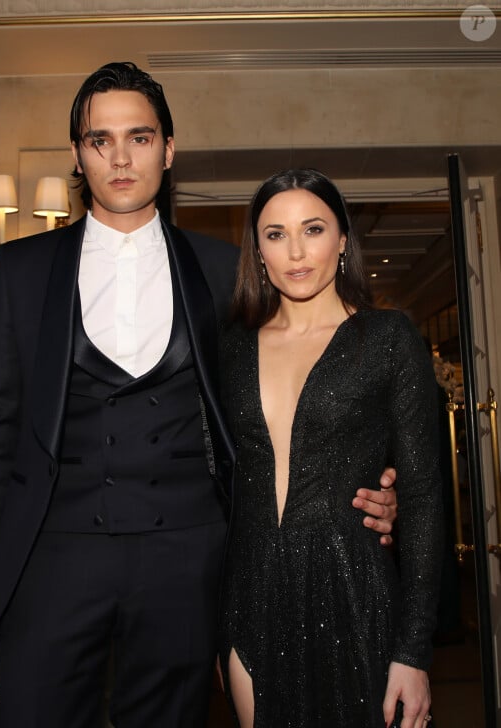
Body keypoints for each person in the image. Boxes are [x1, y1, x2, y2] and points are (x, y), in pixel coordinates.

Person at [0, 64, 397, 728]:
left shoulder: (224, 269)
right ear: (78, 154)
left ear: (169, 149)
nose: (121, 157)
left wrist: (369, 486)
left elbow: (286, 395)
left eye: (141, 137)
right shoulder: (24, 269)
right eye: (101, 140)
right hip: (52, 560)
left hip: (188, 563)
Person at [218, 169, 444, 728]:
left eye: (313, 229)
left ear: (343, 240)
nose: (295, 251)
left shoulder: (388, 338)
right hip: (251, 594)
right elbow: (211, 479)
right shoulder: (230, 348)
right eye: (275, 234)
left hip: (355, 590)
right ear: (258, 251)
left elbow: (421, 499)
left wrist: (413, 651)